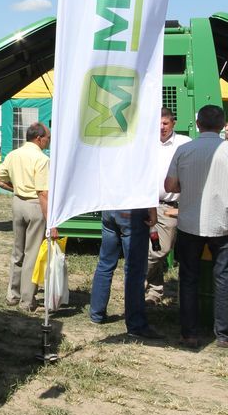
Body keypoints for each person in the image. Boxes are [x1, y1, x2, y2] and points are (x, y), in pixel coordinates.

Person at [164, 103, 228, 349]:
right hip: (223, 224)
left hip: (190, 222)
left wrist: (186, 186)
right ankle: (222, 334)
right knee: (223, 277)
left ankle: (189, 333)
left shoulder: (184, 149)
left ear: (198, 124)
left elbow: (170, 186)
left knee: (188, 278)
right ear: (223, 125)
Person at [0, 122, 51, 311]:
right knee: (32, 253)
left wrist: (14, 189)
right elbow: (43, 192)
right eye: (48, 138)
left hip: (18, 203)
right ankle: (27, 300)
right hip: (35, 204)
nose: (48, 141)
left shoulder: (13, 154)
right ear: (39, 138)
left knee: (17, 251)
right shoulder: (42, 159)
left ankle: (13, 294)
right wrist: (49, 218)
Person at [89, 206, 160, 339]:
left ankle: (96, 314)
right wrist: (153, 211)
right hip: (133, 210)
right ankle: (136, 325)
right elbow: (147, 186)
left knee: (105, 263)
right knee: (135, 270)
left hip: (110, 208)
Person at [145, 107, 189, 305]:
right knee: (150, 247)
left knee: (160, 248)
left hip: (168, 206)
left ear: (173, 123)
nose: (161, 127)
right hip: (145, 204)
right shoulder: (146, 143)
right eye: (158, 123)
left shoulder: (183, 144)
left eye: (165, 123)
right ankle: (154, 292)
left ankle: (136, 280)